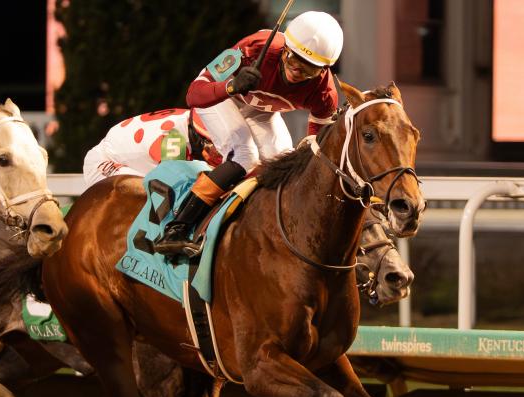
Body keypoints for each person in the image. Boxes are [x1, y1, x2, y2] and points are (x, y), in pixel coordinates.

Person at [153, 11, 343, 257]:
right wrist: (230, 86)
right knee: (245, 154)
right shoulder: (256, 49)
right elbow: (193, 94)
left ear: (323, 71)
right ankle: (176, 228)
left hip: (260, 110)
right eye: (293, 59)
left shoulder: (325, 94)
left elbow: (315, 145)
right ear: (284, 47)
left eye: (309, 69)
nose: (297, 70)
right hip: (225, 99)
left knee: (284, 166)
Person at [82, 108, 223, 188]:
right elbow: (174, 184)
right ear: (199, 138)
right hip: (102, 162)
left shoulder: (193, 118)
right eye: (216, 146)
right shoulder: (173, 139)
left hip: (129, 155)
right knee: (143, 194)